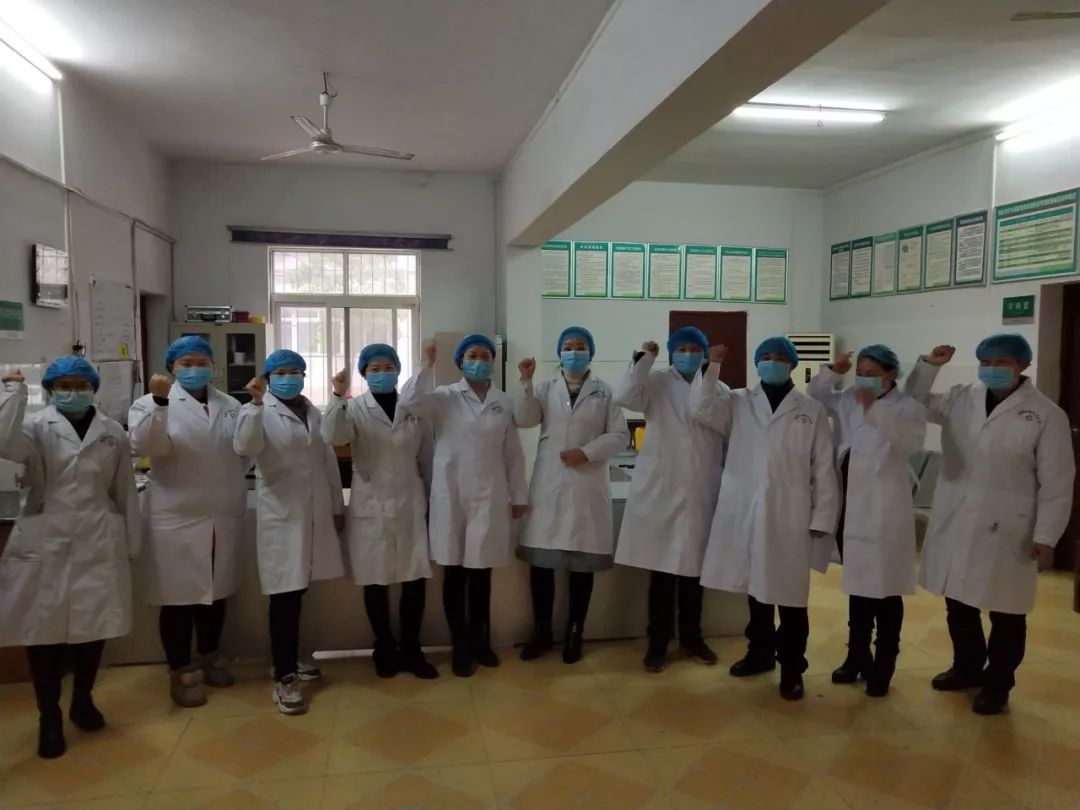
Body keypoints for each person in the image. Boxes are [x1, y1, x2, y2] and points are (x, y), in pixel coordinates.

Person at [904, 335, 1074, 714]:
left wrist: (1046, 534)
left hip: (1010, 527)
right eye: (987, 362)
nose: (992, 369)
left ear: (1022, 365)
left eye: (1002, 362)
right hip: (958, 517)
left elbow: (1058, 482)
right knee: (958, 603)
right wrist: (930, 366)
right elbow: (912, 402)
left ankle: (998, 683)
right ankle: (966, 668)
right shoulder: (961, 397)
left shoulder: (1046, 415)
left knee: (1006, 611)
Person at [0, 358, 140, 758]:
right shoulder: (34, 427)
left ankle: (82, 701)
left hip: (98, 535)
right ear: (50, 389)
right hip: (47, 534)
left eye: (80, 384)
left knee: (93, 628)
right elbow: (4, 443)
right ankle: (49, 717)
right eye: (64, 385)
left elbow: (124, 489)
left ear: (93, 388)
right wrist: (12, 391)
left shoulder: (112, 432)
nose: (73, 391)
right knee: (42, 632)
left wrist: (131, 544)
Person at [689, 337, 839, 701]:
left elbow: (823, 466)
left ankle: (792, 668)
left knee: (790, 596)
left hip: (791, 513)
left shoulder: (811, 409)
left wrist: (823, 516)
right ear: (756, 363)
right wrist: (712, 365)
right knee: (757, 590)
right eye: (765, 357)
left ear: (792, 363)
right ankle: (759, 654)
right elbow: (700, 409)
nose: (771, 362)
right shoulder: (738, 401)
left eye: (779, 357)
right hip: (747, 507)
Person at [128, 336, 250, 708]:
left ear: (213, 366)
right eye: (186, 363)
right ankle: (181, 671)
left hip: (221, 512)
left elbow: (243, 454)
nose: (195, 369)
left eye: (202, 362)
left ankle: (211, 656)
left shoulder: (230, 405)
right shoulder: (149, 404)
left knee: (215, 592)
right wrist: (160, 403)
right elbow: (146, 447)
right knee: (177, 598)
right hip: (175, 515)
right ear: (172, 367)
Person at [399, 334, 528, 677]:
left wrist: (519, 497)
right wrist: (426, 363)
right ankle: (459, 646)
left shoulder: (503, 401)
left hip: (490, 497)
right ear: (459, 361)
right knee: (454, 573)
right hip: (451, 497)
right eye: (472, 355)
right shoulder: (444, 397)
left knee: (481, 574)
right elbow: (409, 402)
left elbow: (513, 455)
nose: (479, 361)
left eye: (485, 355)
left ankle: (479, 642)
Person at [806, 344, 927, 697]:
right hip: (850, 509)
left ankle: (883, 666)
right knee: (858, 589)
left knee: (886, 592)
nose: (864, 379)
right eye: (860, 373)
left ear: (891, 375)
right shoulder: (848, 399)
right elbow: (816, 394)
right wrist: (835, 370)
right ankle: (856, 657)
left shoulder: (908, 407)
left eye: (871, 374)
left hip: (885, 513)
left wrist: (873, 408)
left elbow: (909, 443)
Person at [234, 349, 345, 714]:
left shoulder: (312, 412)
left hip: (311, 514)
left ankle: (288, 658)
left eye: (294, 371)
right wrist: (254, 405)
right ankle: (284, 678)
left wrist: (336, 506)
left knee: (297, 591)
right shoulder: (259, 411)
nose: (288, 378)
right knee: (284, 595)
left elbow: (327, 461)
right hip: (281, 518)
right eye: (280, 372)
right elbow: (244, 447)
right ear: (268, 379)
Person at [322, 343, 438, 680]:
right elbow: (333, 436)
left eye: (388, 367)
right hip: (371, 503)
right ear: (364, 374)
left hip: (410, 500)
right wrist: (337, 395)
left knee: (414, 578)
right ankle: (384, 647)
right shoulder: (354, 408)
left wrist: (433, 498)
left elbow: (427, 457)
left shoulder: (412, 408)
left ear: (398, 371)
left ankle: (412, 650)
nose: (382, 373)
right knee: (375, 579)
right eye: (374, 368)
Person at [515, 326, 630, 664]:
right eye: (568, 346)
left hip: (586, 485)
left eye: (580, 346)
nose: (574, 352)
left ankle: (574, 633)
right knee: (542, 564)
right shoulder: (545, 388)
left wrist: (587, 452)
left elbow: (620, 435)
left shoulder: (604, 392)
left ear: (590, 352)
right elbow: (525, 419)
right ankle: (541, 632)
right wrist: (525, 382)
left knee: (582, 566)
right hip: (550, 485)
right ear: (559, 352)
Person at [613, 326, 724, 673]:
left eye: (695, 349)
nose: (688, 354)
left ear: (704, 352)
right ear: (672, 352)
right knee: (662, 575)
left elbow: (719, 423)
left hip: (700, 489)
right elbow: (624, 396)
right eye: (682, 348)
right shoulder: (656, 381)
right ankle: (658, 643)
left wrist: (712, 372)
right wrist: (644, 359)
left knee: (694, 574)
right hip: (663, 488)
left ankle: (692, 637)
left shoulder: (718, 387)